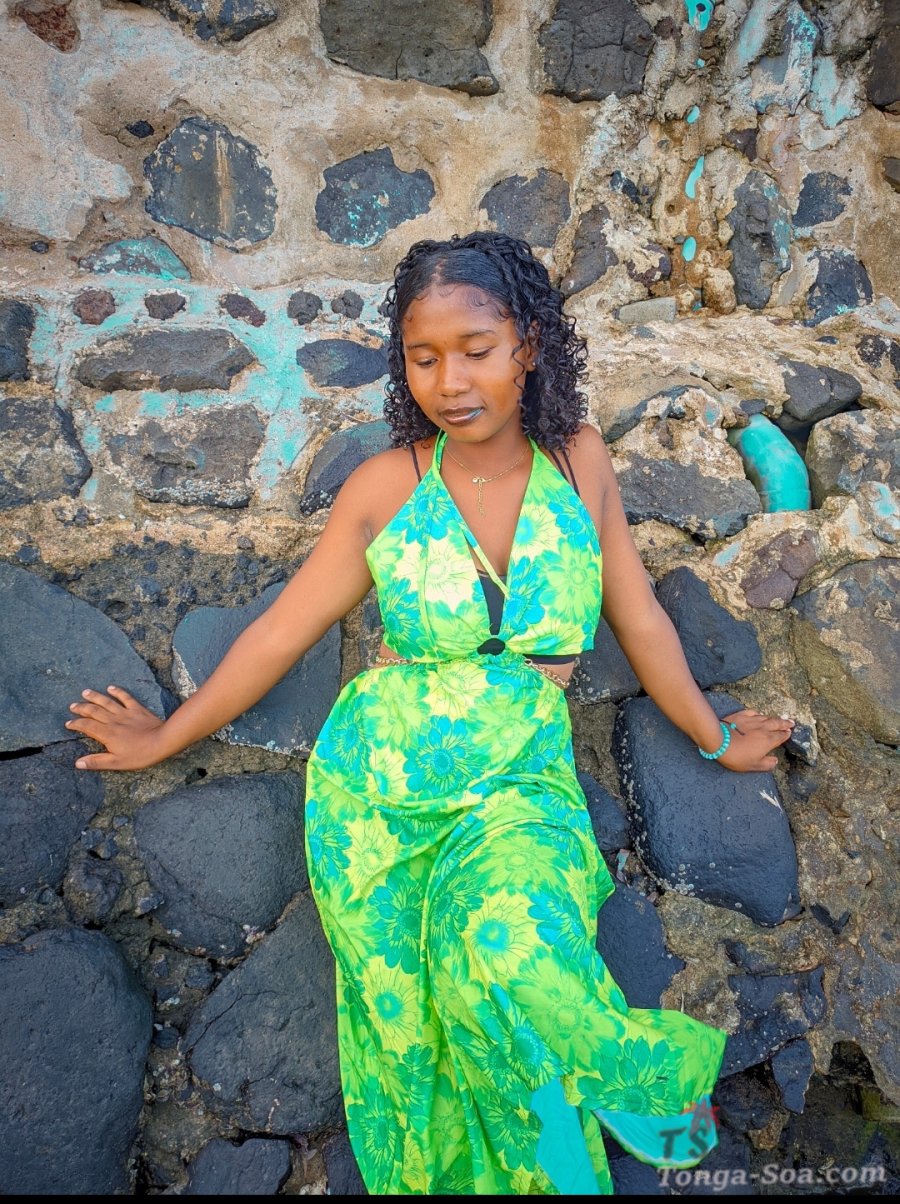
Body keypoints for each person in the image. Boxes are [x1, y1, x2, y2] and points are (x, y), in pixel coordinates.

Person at [66, 231, 795, 1195]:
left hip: (517, 789)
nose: (450, 381)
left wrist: (714, 735)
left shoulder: (579, 464)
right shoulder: (385, 487)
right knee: (418, 1041)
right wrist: (166, 734)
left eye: (476, 350)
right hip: (379, 801)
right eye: (423, 357)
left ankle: (632, 1096)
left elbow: (642, 617)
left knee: (513, 958)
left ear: (529, 343)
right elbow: (281, 632)